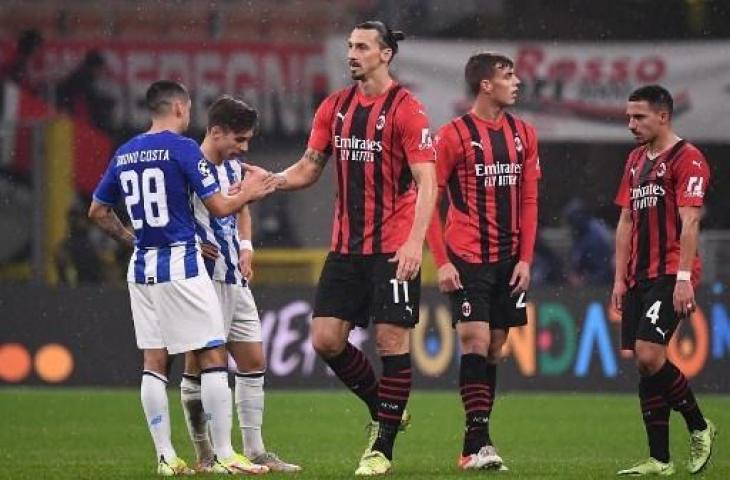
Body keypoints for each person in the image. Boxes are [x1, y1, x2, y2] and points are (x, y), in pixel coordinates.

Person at [272, 20, 437, 476]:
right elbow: (308, 170)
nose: (352, 53)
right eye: (349, 46)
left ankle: (381, 447)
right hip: (346, 247)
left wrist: (413, 243)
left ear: (385, 54)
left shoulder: (409, 110)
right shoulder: (334, 107)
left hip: (392, 248)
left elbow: (428, 184)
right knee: (325, 340)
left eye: (362, 47)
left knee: (390, 340)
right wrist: (267, 183)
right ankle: (386, 409)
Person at [88, 80, 277, 476]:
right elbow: (221, 204)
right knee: (211, 354)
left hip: (142, 266)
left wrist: (132, 238)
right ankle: (226, 455)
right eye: (188, 109)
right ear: (177, 107)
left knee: (155, 362)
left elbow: (98, 211)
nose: (190, 116)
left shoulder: (124, 153)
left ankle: (165, 457)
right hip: (181, 263)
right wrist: (251, 192)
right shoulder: (183, 149)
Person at [425, 52, 540, 471]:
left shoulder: (524, 134)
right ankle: (480, 443)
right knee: (474, 340)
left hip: (508, 260)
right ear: (485, 85)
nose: (516, 82)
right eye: (508, 76)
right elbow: (430, 199)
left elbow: (528, 200)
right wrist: (442, 261)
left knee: (495, 347)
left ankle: (472, 443)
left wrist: (525, 259)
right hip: (467, 255)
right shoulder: (452, 135)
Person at [180, 95, 300, 473]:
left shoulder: (232, 167)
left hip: (234, 275)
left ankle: (256, 449)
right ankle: (205, 455)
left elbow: (242, 210)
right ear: (216, 131)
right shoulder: (188, 167)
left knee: (252, 362)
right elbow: (172, 215)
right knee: (198, 366)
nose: (244, 148)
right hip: (200, 279)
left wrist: (246, 247)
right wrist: (189, 242)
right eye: (240, 139)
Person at [612, 85, 716, 476]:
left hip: (672, 272)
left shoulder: (688, 158)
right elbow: (625, 221)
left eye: (638, 117)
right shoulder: (635, 160)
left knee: (649, 354)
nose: (631, 124)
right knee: (644, 365)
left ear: (664, 116)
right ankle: (659, 459)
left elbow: (690, 221)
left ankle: (700, 425)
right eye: (628, 117)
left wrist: (684, 279)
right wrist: (619, 278)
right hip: (639, 274)